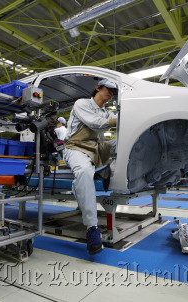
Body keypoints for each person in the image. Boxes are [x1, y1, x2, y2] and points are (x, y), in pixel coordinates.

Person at [63, 78, 118, 255]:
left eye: (113, 92)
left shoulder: (106, 111)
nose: (111, 94)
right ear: (97, 88)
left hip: (94, 148)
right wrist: (119, 119)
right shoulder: (82, 104)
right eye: (108, 89)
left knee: (124, 142)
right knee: (85, 171)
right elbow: (96, 123)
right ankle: (92, 228)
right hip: (75, 148)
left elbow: (116, 122)